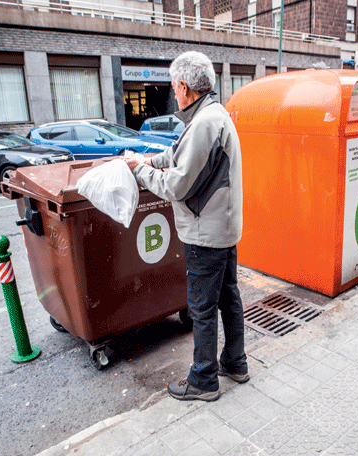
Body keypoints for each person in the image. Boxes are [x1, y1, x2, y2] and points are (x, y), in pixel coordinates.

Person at [124, 51, 248, 402]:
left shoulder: (205, 122)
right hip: (222, 227)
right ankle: (235, 363)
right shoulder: (212, 114)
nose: (173, 94)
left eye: (173, 88)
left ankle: (204, 380)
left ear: (183, 86)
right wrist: (148, 159)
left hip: (205, 233)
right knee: (228, 298)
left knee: (203, 308)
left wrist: (138, 171)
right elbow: (182, 153)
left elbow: (175, 184)